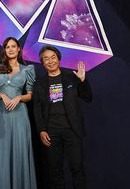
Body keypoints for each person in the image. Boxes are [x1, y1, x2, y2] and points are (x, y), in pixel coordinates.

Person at [32, 45, 92, 189]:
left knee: (77, 168)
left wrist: (82, 81)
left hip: (72, 130)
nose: (50, 61)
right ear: (43, 63)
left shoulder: (71, 77)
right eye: (46, 59)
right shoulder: (39, 83)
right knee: (55, 171)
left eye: (53, 57)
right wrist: (41, 130)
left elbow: (87, 97)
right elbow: (37, 109)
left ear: (59, 59)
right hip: (51, 131)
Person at [0, 37, 36, 189]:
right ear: (4, 50)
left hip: (20, 115)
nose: (10, 49)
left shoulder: (27, 70)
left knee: (19, 151)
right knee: (2, 152)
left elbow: (30, 95)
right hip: (2, 115)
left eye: (13, 46)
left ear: (19, 49)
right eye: (7, 47)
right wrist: (1, 95)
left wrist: (19, 97)